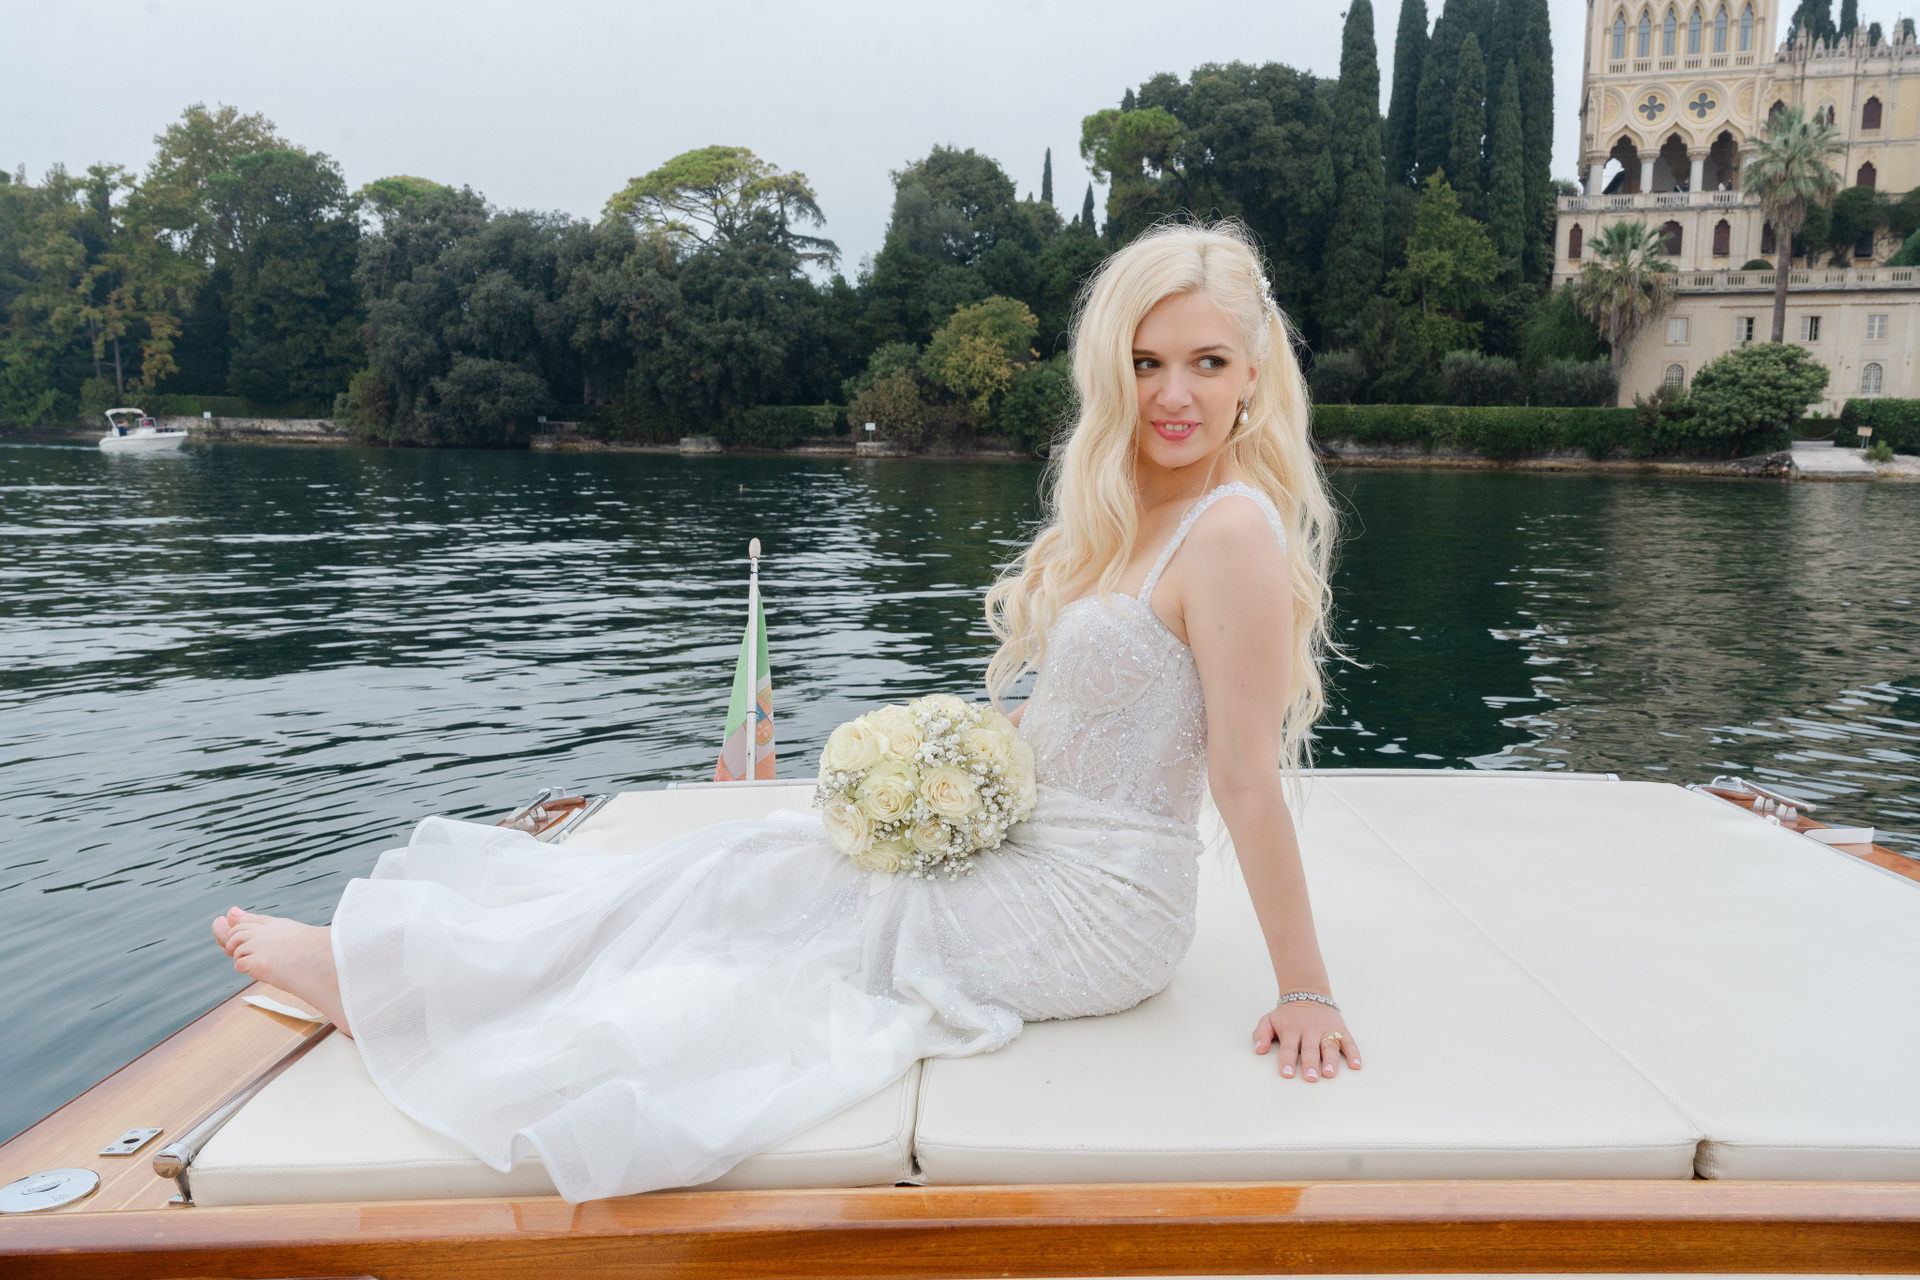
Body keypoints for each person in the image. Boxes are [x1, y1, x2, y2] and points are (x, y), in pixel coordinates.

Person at [211, 220, 1356, 1204]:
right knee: (751, 859)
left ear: (1254, 373)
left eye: (1207, 362)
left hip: (1101, 904)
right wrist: (952, 767)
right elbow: (1094, 719)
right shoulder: (1133, 506)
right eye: (1148, 362)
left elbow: (1242, 775)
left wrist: (1303, 986)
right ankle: (411, 978)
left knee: (784, 936)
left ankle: (417, 997)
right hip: (1033, 845)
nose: (1173, 394)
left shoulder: (1232, 530)